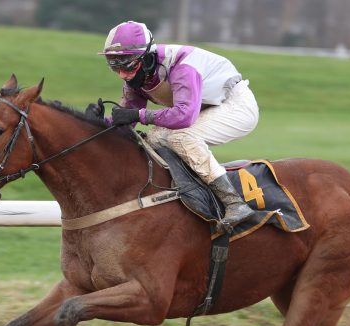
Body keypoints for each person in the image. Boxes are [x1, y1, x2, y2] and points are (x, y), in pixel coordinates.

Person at [89, 20, 260, 229]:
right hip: (204, 108)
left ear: (146, 56)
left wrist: (139, 115)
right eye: (115, 66)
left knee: (181, 137)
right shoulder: (139, 74)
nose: (122, 74)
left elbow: (184, 116)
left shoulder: (182, 66)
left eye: (128, 65)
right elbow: (128, 121)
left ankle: (234, 203)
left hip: (236, 105)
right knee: (152, 139)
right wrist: (98, 124)